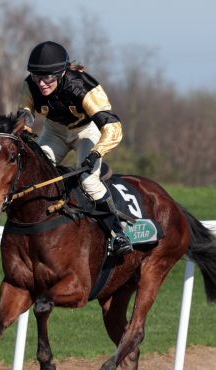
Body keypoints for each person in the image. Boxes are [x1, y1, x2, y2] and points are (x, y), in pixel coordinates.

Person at [17, 40, 133, 256]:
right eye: (36, 76)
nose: (41, 83)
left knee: (88, 180)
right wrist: (24, 126)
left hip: (87, 131)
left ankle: (118, 235)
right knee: (35, 172)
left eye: (48, 77)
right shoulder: (30, 84)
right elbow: (24, 113)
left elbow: (113, 127)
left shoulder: (82, 87)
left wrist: (97, 152)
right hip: (55, 131)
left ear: (61, 73)